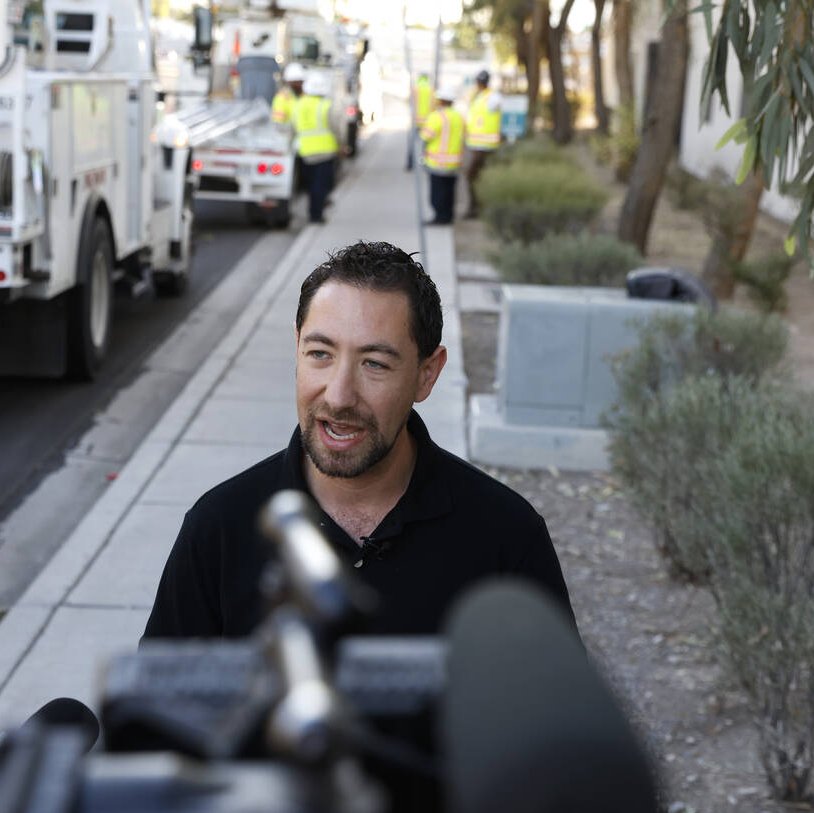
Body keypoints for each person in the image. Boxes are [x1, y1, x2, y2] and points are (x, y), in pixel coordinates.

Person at [143, 241, 575, 640]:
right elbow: (154, 714)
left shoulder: (507, 539)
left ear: (427, 374)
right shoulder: (217, 529)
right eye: (320, 355)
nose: (338, 395)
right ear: (297, 350)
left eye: (374, 364)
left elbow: (558, 720)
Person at [292, 72, 340, 224]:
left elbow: (293, 127)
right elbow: (335, 128)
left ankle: (313, 211)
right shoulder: (325, 105)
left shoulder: (298, 104)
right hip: (325, 152)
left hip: (305, 151)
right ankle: (316, 215)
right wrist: (341, 146)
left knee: (311, 185)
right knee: (322, 184)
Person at [419, 85, 464, 225]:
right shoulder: (458, 116)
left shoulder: (437, 116)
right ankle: (448, 217)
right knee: (450, 192)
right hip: (454, 162)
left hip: (438, 163)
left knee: (438, 194)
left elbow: (425, 136)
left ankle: (440, 218)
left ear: (441, 100)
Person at [463, 69, 502, 219]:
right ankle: (479, 208)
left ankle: (476, 208)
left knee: (472, 176)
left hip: (485, 147)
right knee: (477, 177)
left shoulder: (492, 97)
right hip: (478, 146)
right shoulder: (481, 97)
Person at [406, 71, 433, 171]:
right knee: (426, 145)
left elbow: (408, 103)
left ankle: (410, 163)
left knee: (412, 143)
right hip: (428, 123)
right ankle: (425, 164)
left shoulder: (415, 90)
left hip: (415, 122)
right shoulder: (432, 90)